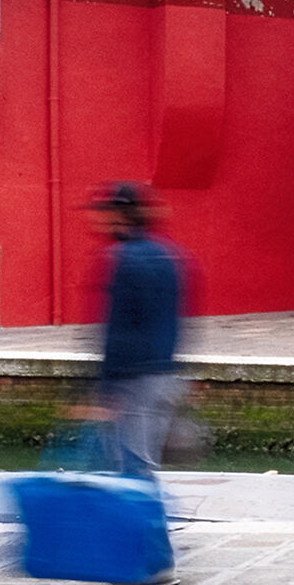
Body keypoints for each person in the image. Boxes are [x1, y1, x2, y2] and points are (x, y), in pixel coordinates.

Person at [88, 182, 187, 477]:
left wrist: (106, 389)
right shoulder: (169, 256)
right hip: (165, 375)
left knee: (130, 469)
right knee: (146, 463)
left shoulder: (122, 259)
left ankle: (142, 522)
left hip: (133, 381)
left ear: (121, 215)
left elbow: (117, 330)